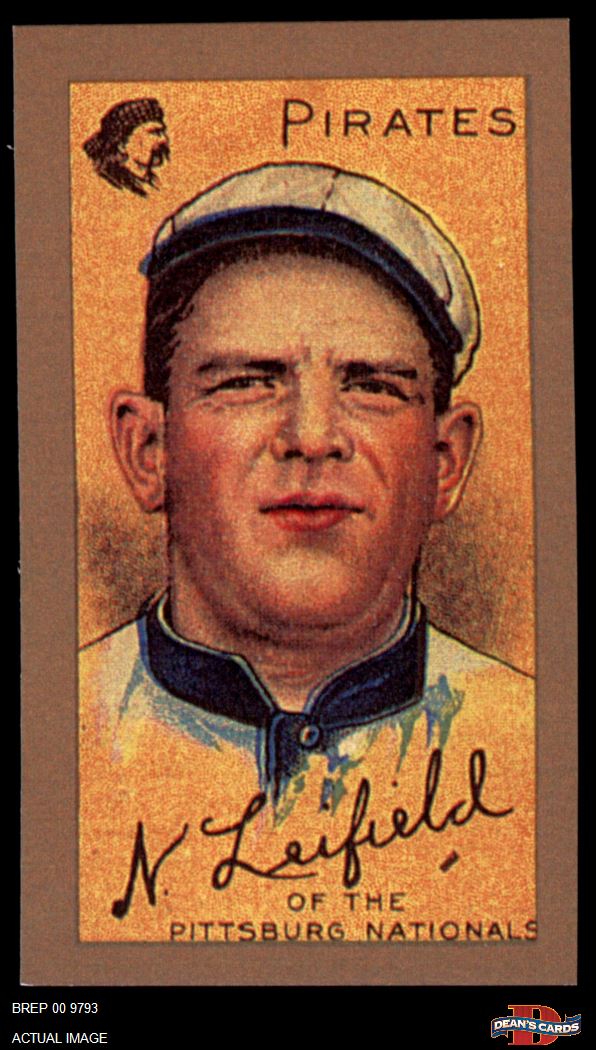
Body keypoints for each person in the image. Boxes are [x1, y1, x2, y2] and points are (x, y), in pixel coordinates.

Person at [80, 163, 534, 941]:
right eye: (249, 382)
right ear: (149, 449)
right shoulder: (54, 731)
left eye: (373, 386)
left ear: (445, 462)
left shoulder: (541, 744)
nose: (313, 437)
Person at [83, 98, 170, 197]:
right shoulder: (112, 187)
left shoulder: (152, 182)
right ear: (122, 144)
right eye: (154, 132)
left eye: (163, 132)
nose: (164, 139)